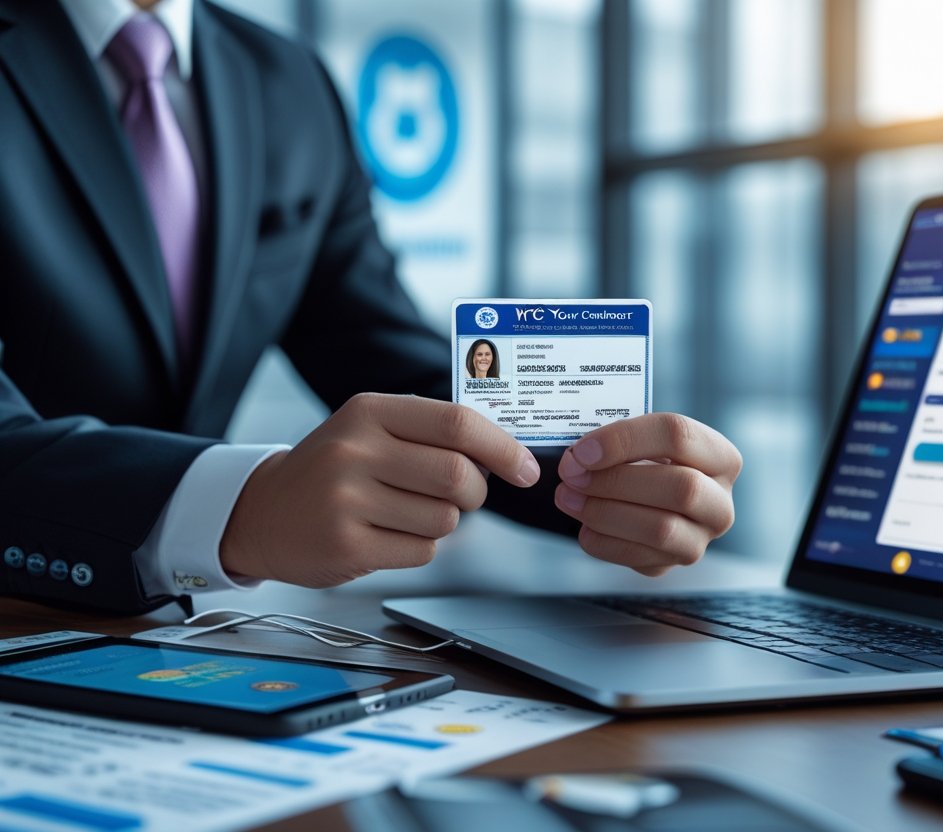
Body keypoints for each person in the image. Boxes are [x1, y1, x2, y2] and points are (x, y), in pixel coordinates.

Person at [0, 0, 742, 614]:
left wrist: (604, 470)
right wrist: (243, 508)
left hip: (171, 640)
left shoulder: (286, 83)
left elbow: (381, 351)